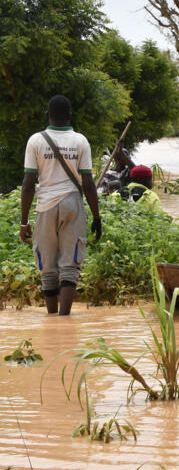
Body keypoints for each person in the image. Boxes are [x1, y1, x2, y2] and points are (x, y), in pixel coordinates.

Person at [19, 95, 103, 316]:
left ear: (48, 115)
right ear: (69, 116)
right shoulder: (80, 141)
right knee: (69, 265)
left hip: (45, 205)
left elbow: (28, 185)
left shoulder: (35, 141)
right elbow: (88, 183)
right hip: (72, 204)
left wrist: (23, 222)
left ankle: (52, 320)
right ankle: (64, 320)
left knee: (47, 266)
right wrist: (96, 218)